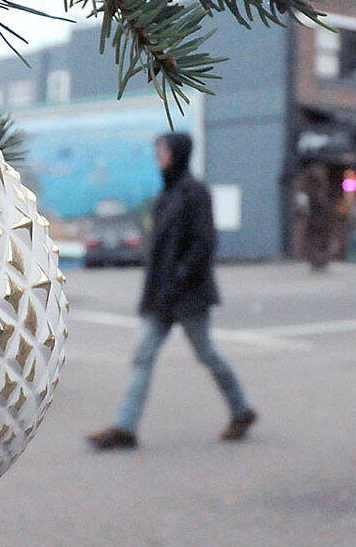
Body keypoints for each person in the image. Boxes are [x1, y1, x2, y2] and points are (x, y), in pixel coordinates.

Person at [87, 132, 257, 450]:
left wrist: (179, 277)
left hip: (187, 294)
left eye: (161, 152)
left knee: (206, 353)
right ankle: (125, 427)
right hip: (161, 296)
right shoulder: (167, 194)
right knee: (142, 355)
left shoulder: (194, 192)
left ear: (177, 154)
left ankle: (241, 410)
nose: (158, 158)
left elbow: (204, 243)